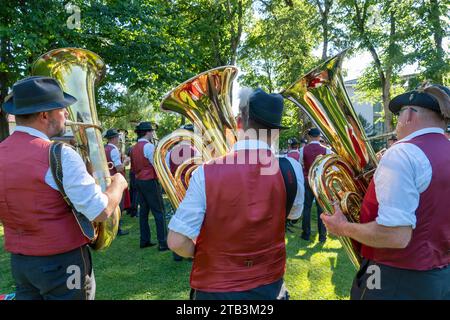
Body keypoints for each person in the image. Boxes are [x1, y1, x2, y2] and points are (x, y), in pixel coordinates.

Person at [167, 88, 304, 300]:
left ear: (239, 123)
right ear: (277, 132)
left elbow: (177, 242)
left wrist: (209, 254)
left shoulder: (205, 172)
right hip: (270, 288)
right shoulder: (291, 168)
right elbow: (293, 214)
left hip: (215, 292)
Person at [0, 76, 128, 300]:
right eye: (62, 108)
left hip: (21, 263)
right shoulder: (59, 154)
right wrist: (118, 183)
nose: (67, 114)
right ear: (45, 114)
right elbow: (100, 210)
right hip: (63, 262)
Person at [321, 84, 450, 300]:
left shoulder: (402, 153)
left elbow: (396, 236)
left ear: (409, 114)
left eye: (399, 114)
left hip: (391, 278)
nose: (398, 122)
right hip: (441, 278)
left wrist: (343, 227)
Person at [130, 121, 168, 251]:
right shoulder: (149, 146)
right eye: (152, 131)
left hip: (139, 181)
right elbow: (156, 165)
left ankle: (144, 240)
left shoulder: (134, 147)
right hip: (150, 181)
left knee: (144, 212)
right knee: (159, 211)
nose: (153, 133)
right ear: (148, 132)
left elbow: (133, 168)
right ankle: (163, 242)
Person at [299, 128, 331, 242]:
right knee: (321, 209)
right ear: (319, 136)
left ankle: (306, 234)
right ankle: (322, 236)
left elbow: (300, 165)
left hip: (308, 180)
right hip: (319, 182)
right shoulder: (326, 150)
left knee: (307, 207)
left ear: (309, 136)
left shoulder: (303, 149)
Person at [104, 128, 131, 236]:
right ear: (114, 138)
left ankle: (111, 227)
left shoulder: (104, 148)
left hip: (107, 178)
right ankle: (117, 229)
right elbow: (119, 168)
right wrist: (125, 162)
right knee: (117, 204)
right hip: (115, 180)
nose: (119, 139)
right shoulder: (114, 150)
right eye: (118, 137)